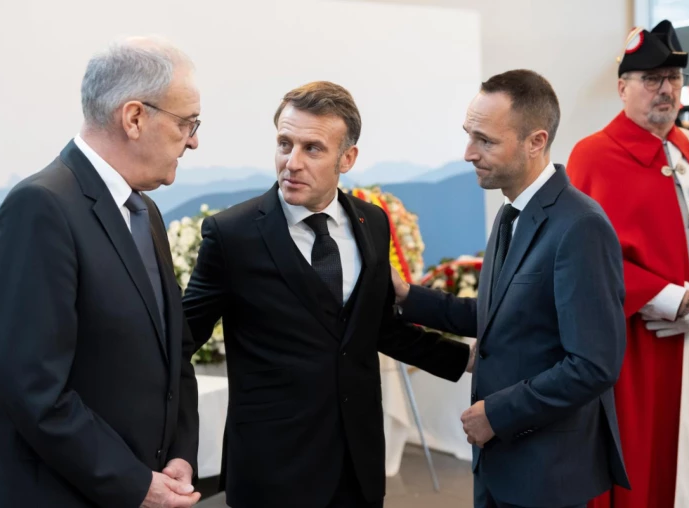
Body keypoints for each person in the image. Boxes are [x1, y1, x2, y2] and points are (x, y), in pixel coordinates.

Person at [181, 81, 472, 508]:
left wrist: (467, 360)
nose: (292, 162)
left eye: (312, 148)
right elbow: (182, 339)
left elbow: (377, 328)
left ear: (347, 158)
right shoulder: (231, 235)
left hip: (358, 466)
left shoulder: (372, 222)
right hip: (271, 471)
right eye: (284, 143)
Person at [0, 36, 203, 508]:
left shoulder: (144, 212)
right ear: (134, 118)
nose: (193, 140)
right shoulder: (40, 208)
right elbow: (34, 389)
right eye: (186, 123)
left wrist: (180, 452)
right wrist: (135, 483)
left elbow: (170, 353)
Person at [391, 69, 629, 508]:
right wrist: (408, 295)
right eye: (469, 135)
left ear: (535, 142)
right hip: (500, 463)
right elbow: (498, 315)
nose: (468, 153)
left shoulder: (581, 226)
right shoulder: (511, 212)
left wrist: (497, 414)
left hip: (546, 471)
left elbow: (594, 364)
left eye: (485, 141)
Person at [567, 20, 689, 508]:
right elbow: (579, 256)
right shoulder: (593, 156)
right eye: (651, 79)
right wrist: (673, 300)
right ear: (622, 87)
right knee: (645, 463)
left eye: (673, 77)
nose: (665, 89)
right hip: (639, 345)